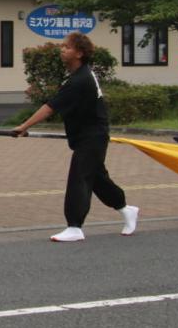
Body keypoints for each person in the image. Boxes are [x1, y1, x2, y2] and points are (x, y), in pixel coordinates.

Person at [12, 32, 139, 242]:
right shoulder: (79, 75)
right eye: (62, 46)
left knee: (79, 177)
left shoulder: (81, 80)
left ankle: (74, 226)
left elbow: (50, 107)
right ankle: (126, 209)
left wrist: (23, 126)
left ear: (79, 53)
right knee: (96, 178)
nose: (62, 50)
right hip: (87, 135)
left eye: (67, 47)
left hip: (93, 136)